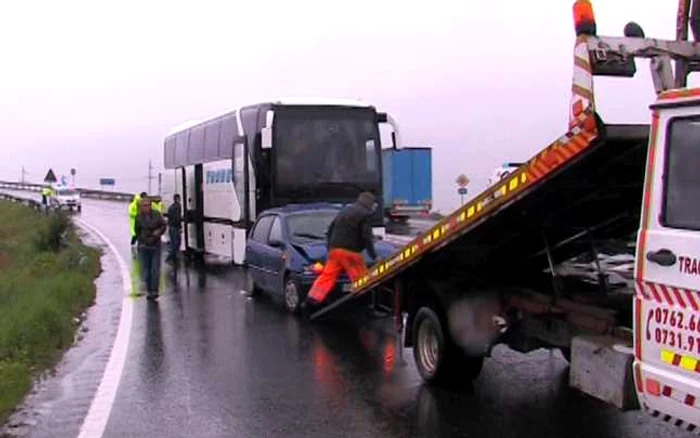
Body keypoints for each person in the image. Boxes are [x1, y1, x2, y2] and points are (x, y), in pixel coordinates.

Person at [302, 191, 378, 313]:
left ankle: (310, 303)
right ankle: (366, 306)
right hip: (351, 252)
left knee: (327, 276)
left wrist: (330, 248)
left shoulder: (345, 210)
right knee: (362, 279)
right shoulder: (365, 215)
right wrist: (374, 255)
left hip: (335, 250)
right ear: (370, 203)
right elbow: (366, 237)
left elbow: (331, 229)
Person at [135, 196, 167, 300]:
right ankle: (149, 290)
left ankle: (154, 291)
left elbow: (163, 226)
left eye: (148, 205)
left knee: (155, 270)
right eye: (144, 205)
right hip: (144, 247)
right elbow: (137, 231)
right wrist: (141, 241)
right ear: (141, 207)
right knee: (146, 271)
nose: (146, 207)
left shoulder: (156, 215)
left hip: (155, 246)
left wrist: (158, 233)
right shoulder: (138, 217)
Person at [166, 194, 182, 263]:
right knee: (177, 243)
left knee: (174, 243)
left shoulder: (171, 207)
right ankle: (170, 258)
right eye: (179, 198)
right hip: (175, 227)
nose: (180, 199)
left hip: (171, 227)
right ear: (177, 199)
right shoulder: (177, 206)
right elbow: (177, 218)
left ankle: (173, 257)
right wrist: (180, 226)